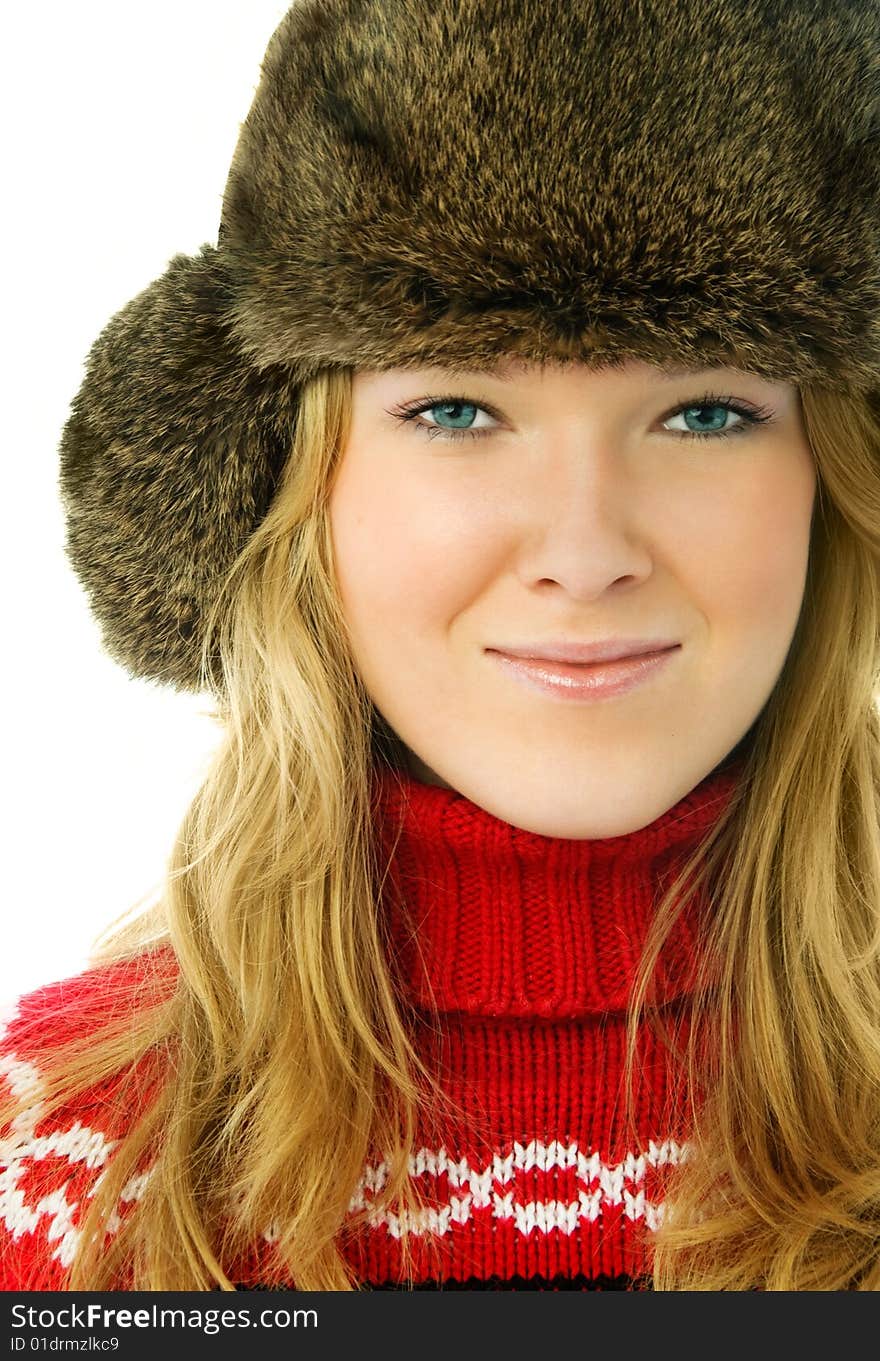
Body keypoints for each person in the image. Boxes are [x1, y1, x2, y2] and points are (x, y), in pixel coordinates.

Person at [2, 0, 879, 1292]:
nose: (585, 551)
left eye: (702, 411)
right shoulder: (56, 1158)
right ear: (294, 485)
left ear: (832, 474)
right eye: (460, 407)